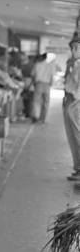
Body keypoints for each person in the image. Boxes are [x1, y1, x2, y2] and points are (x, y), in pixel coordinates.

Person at [63, 32, 80, 181]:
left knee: (77, 136)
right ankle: (77, 168)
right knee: (72, 137)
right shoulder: (73, 63)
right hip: (69, 100)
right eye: (72, 48)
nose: (74, 51)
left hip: (76, 101)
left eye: (77, 47)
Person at [31, 52, 60, 123]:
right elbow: (52, 77)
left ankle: (36, 116)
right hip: (47, 85)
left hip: (38, 84)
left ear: (41, 58)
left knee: (36, 101)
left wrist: (34, 83)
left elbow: (32, 75)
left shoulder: (37, 65)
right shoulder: (50, 66)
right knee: (46, 102)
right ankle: (43, 119)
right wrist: (50, 84)